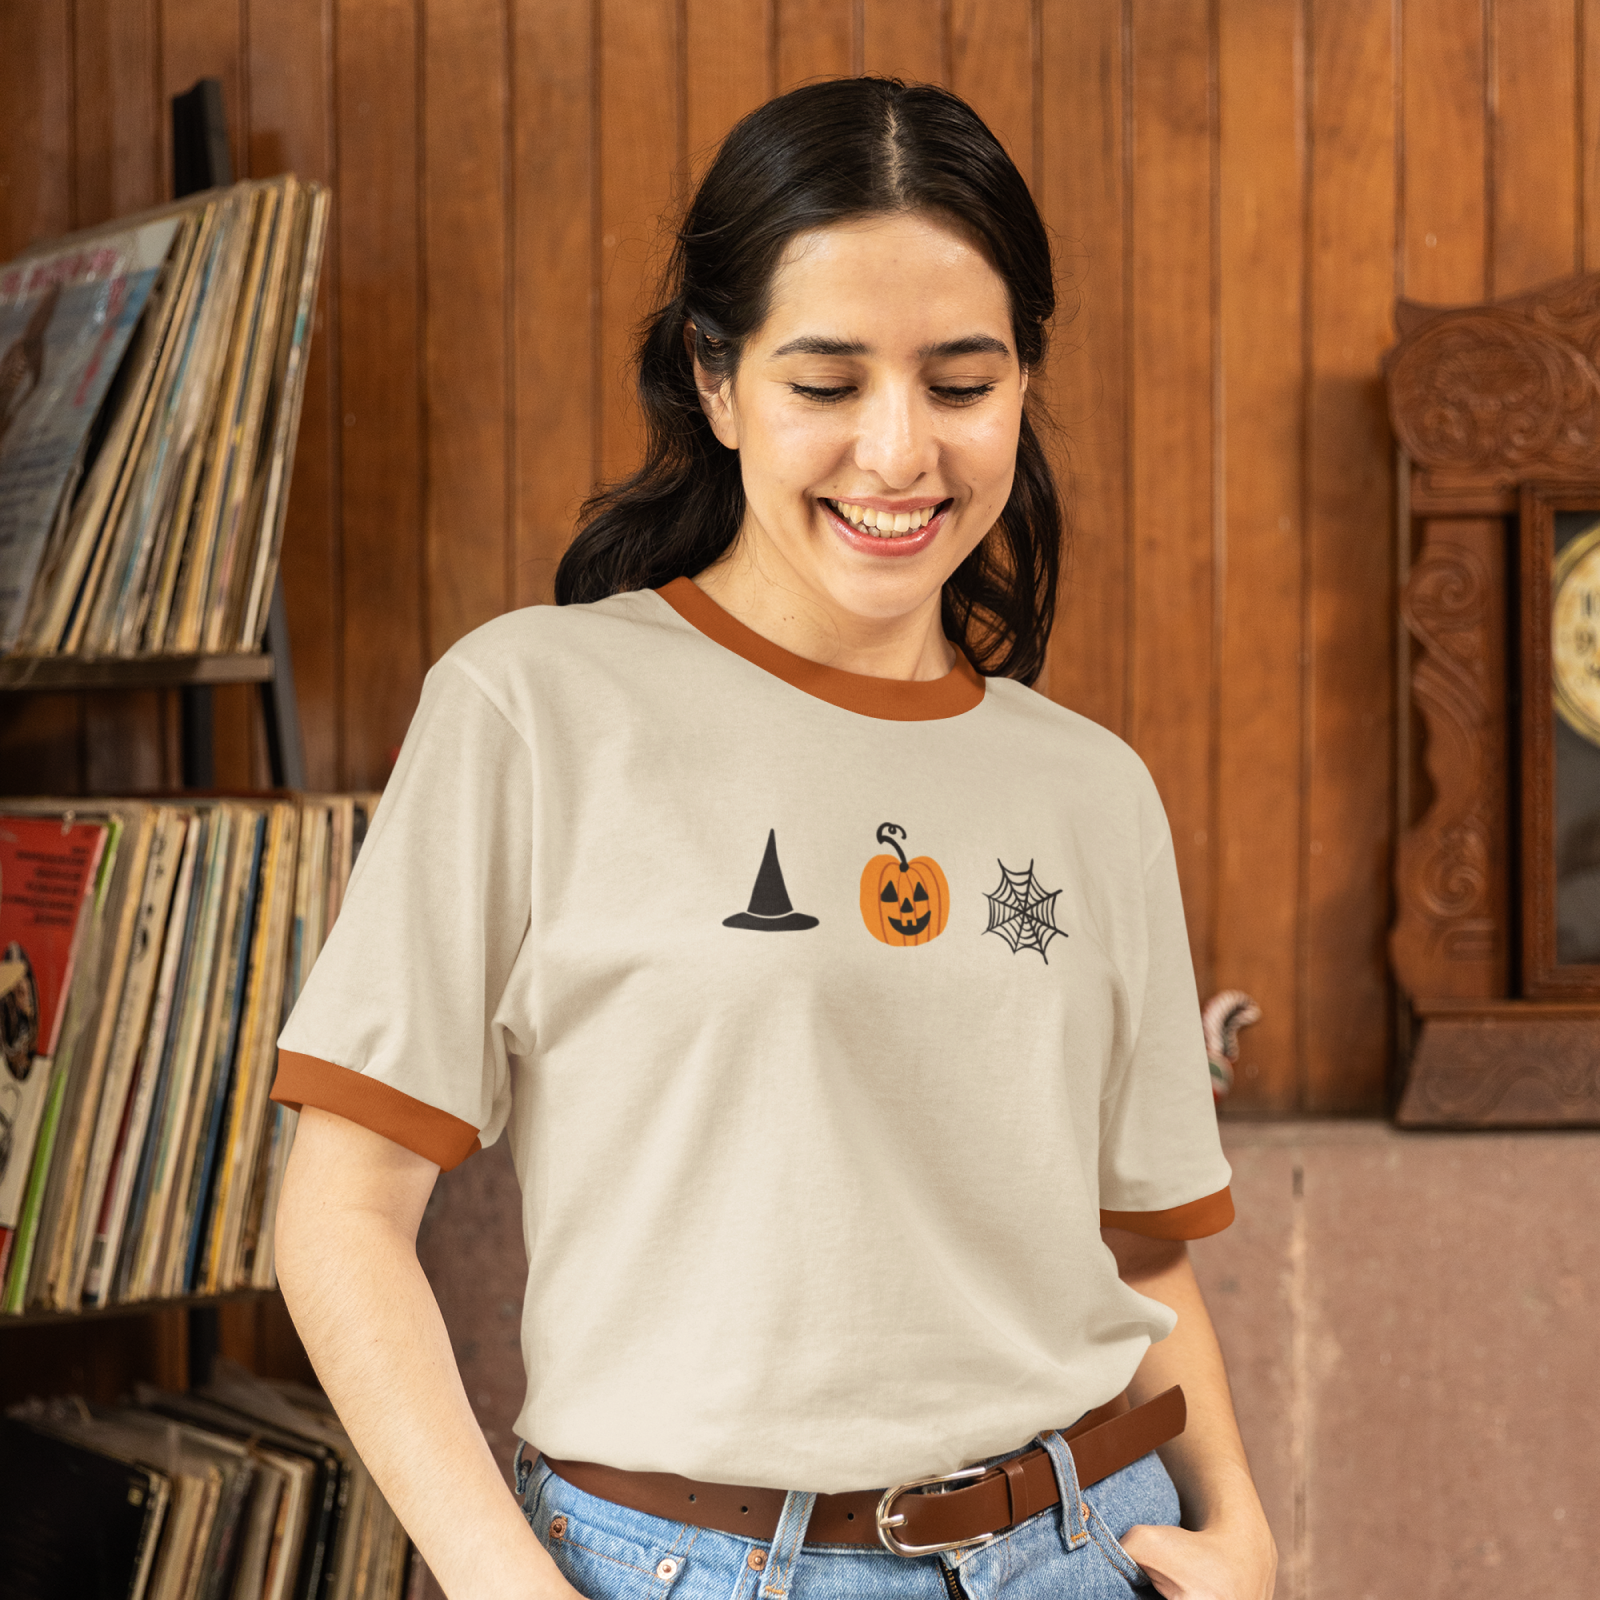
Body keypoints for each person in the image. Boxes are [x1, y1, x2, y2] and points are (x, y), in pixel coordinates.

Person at [271, 76, 1277, 1600]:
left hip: (1090, 1543)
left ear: (1024, 383)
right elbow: (340, 1218)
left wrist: (1244, 1529)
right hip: (678, 1568)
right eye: (826, 383)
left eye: (961, 381)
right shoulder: (533, 706)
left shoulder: (1092, 790)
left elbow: (1137, 1254)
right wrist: (504, 1583)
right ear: (717, 380)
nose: (899, 453)